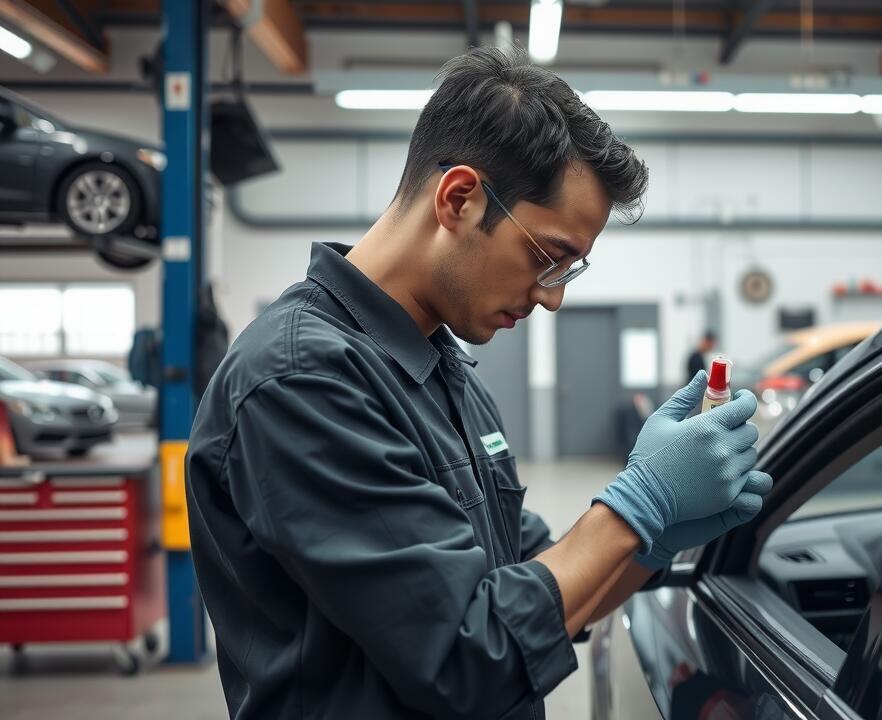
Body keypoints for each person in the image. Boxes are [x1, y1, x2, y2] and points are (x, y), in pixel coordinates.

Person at [185, 48, 771, 720]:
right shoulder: (301, 382)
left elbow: (538, 578)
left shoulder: (442, 369)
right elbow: (468, 657)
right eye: (548, 258)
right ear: (459, 199)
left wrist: (653, 538)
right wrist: (640, 502)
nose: (550, 300)